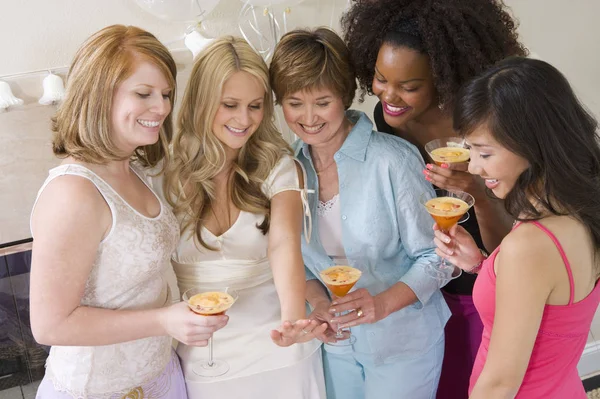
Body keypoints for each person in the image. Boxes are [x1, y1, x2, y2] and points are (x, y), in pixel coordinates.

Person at [29, 25, 226, 398]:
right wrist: (165, 320)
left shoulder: (131, 168)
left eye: (166, 94)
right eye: (144, 93)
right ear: (100, 94)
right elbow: (49, 326)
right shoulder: (73, 192)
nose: (163, 108)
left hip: (158, 376)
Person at [342, 1, 527, 396]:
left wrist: (475, 190)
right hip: (424, 295)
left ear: (445, 78)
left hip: (483, 292)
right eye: (379, 79)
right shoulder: (386, 121)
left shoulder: (487, 125)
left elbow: (515, 243)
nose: (389, 95)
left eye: (409, 87)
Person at [270, 27, 450, 399]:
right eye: (294, 102)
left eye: (322, 102)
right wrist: (319, 304)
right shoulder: (286, 170)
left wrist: (381, 304)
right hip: (334, 344)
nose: (308, 118)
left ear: (344, 95)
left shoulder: (393, 159)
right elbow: (296, 262)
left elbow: (438, 258)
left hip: (404, 345)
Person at [152, 36, 327, 398]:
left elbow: (283, 246)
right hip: (205, 356)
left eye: (255, 106)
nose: (244, 119)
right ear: (201, 101)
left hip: (279, 349)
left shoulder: (280, 167)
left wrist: (293, 320)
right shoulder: (162, 171)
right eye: (229, 105)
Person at [433, 56, 600, 398]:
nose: (475, 167)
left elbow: (499, 384)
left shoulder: (531, 245)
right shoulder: (577, 211)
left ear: (530, 144)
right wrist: (485, 265)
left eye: (484, 153)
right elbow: (547, 303)